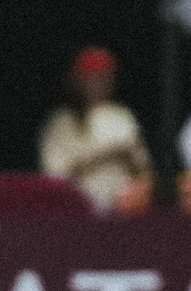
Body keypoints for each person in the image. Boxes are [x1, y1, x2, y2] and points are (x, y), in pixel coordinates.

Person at [39, 46, 151, 213]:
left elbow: (144, 168)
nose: (99, 83)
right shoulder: (63, 120)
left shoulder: (122, 116)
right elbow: (54, 172)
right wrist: (109, 151)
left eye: (104, 77)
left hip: (121, 211)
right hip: (77, 211)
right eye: (92, 77)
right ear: (78, 81)